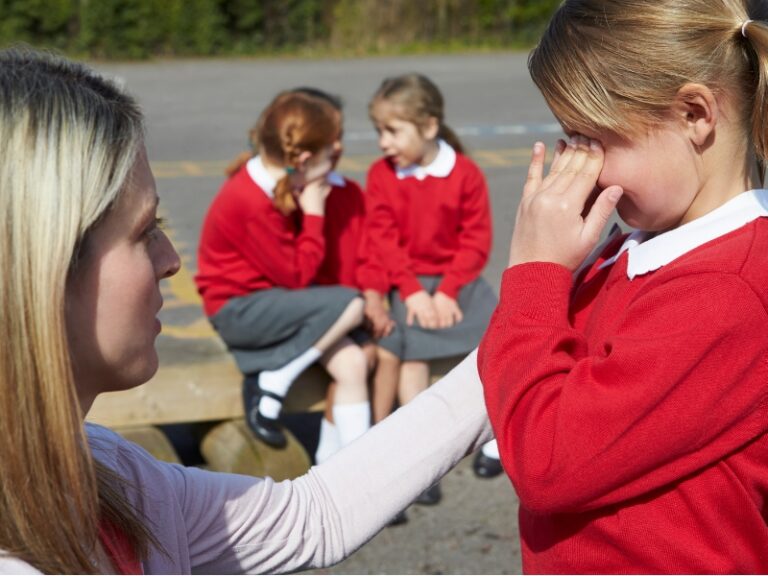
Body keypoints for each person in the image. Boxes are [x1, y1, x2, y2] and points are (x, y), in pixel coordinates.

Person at [0, 47, 493, 574]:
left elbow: (315, 516)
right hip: (252, 315)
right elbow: (297, 275)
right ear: (42, 266)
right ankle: (278, 374)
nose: (170, 260)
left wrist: (527, 331)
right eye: (144, 232)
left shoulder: (112, 471)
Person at [477, 1, 768, 572]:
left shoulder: (728, 290)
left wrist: (535, 271)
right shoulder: (631, 248)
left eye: (591, 138)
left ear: (694, 113)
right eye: (569, 138)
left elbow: (547, 463)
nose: (576, 164)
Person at [196, 91, 374, 452]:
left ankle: (351, 470)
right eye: (331, 151)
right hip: (239, 311)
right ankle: (276, 377)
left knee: (353, 362)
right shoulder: (250, 199)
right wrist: (313, 213)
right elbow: (297, 276)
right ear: (305, 158)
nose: (337, 155)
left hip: (276, 305)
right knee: (351, 304)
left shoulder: (276, 180)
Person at [360, 73, 501, 500]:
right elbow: (383, 240)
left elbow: (475, 240)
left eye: (392, 131)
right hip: (409, 281)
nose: (383, 142)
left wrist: (448, 291)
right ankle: (422, 463)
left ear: (429, 127)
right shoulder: (382, 175)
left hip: (457, 280)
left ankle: (497, 438)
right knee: (413, 360)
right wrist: (414, 292)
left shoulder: (465, 174)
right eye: (379, 131)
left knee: (498, 342)